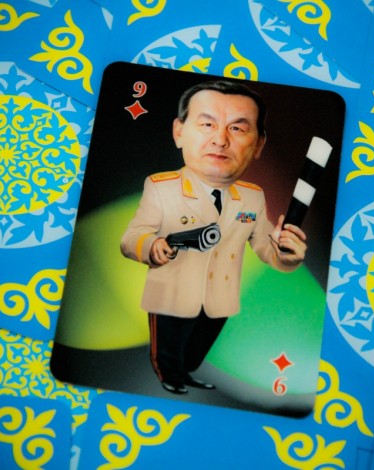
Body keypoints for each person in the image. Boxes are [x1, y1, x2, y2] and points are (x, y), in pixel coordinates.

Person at [120, 80, 307, 394]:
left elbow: (265, 245)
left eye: (237, 128)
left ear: (259, 144)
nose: (220, 140)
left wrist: (286, 254)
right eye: (207, 124)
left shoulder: (252, 197)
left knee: (194, 352)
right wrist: (152, 246)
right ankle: (169, 377)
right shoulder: (162, 188)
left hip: (220, 294)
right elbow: (132, 236)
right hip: (173, 292)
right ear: (179, 132)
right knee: (169, 350)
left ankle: (185, 373)